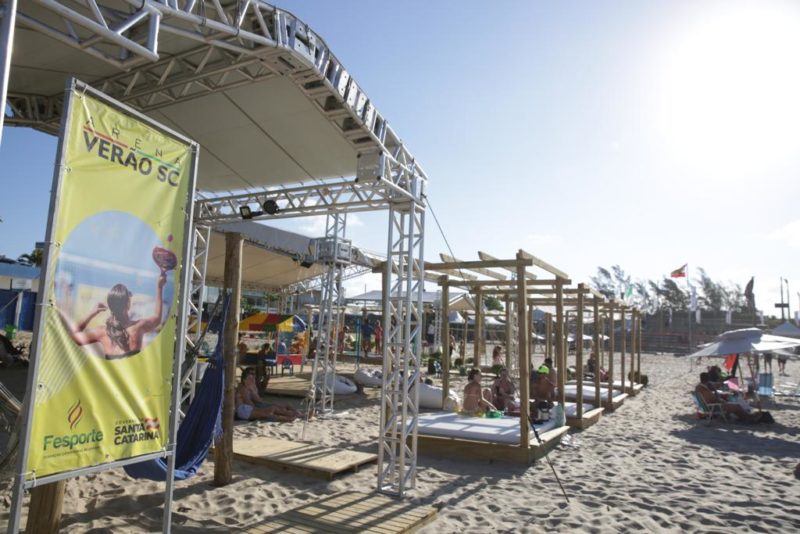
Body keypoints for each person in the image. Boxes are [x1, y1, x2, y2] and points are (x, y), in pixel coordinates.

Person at [58, 268, 168, 359]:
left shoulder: (101, 332)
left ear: (110, 306)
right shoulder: (138, 327)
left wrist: (92, 313)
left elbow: (71, 337)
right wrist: (159, 287)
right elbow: (157, 318)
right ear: (128, 304)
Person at [236, 368, 304, 422]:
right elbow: (249, 402)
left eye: (253, 378)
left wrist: (252, 390)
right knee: (269, 412)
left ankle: (293, 415)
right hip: (245, 410)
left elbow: (256, 400)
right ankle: (290, 417)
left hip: (247, 409)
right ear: (244, 380)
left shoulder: (248, 387)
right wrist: (259, 408)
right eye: (249, 378)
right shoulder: (243, 388)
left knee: (270, 411)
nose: (252, 380)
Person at [695, 372, 762, 423]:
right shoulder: (704, 390)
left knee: (735, 406)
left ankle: (746, 417)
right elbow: (715, 399)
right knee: (737, 406)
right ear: (707, 380)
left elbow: (711, 399)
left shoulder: (698, 387)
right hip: (715, 407)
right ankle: (750, 417)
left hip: (710, 407)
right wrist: (715, 390)